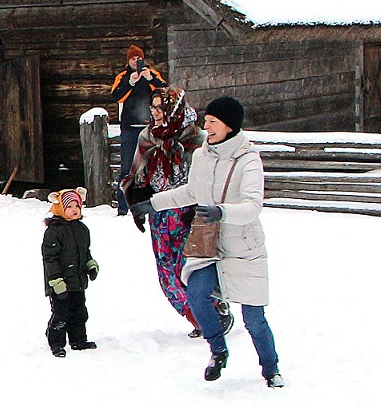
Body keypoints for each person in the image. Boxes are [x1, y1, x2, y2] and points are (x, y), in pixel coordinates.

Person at [134, 96, 284, 387]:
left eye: (213, 122)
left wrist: (222, 211)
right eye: (207, 121)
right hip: (209, 245)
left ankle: (271, 368)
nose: (207, 126)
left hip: (243, 248)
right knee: (196, 294)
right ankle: (218, 350)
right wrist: (154, 203)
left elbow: (254, 206)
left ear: (229, 126)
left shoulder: (248, 160)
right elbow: (192, 192)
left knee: (253, 318)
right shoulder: (203, 155)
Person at [122, 88, 227, 337]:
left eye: (160, 108)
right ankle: (198, 318)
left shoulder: (197, 140)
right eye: (153, 108)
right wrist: (137, 197)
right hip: (159, 211)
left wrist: (203, 207)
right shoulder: (148, 136)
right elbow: (138, 172)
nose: (155, 113)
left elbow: (210, 179)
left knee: (190, 268)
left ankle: (213, 312)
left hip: (189, 213)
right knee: (166, 273)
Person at [109, 44, 167, 213]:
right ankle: (123, 207)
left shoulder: (152, 74)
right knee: (127, 167)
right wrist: (130, 83)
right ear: (128, 61)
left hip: (150, 128)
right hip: (130, 128)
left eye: (138, 58)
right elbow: (117, 96)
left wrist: (151, 80)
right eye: (133, 59)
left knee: (151, 166)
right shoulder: (123, 76)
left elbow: (165, 92)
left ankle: (148, 203)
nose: (136, 61)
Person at [41, 188, 99, 356]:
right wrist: (55, 280)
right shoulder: (54, 231)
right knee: (61, 314)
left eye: (77, 206)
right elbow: (50, 258)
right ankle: (56, 342)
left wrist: (90, 265)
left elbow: (85, 251)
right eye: (69, 206)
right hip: (60, 283)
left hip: (78, 281)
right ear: (60, 208)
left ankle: (78, 340)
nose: (74, 210)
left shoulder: (82, 229)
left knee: (79, 312)